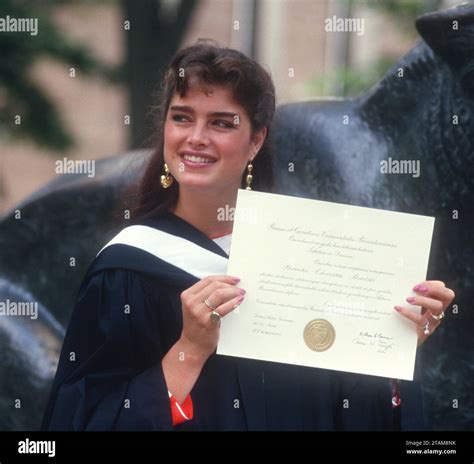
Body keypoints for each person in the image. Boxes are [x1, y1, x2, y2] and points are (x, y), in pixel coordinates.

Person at [41, 39, 455, 431]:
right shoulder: (127, 270)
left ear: (255, 141)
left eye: (222, 123)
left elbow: (346, 409)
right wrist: (190, 349)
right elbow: (81, 419)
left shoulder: (310, 262)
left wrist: (390, 345)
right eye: (182, 117)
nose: (196, 138)